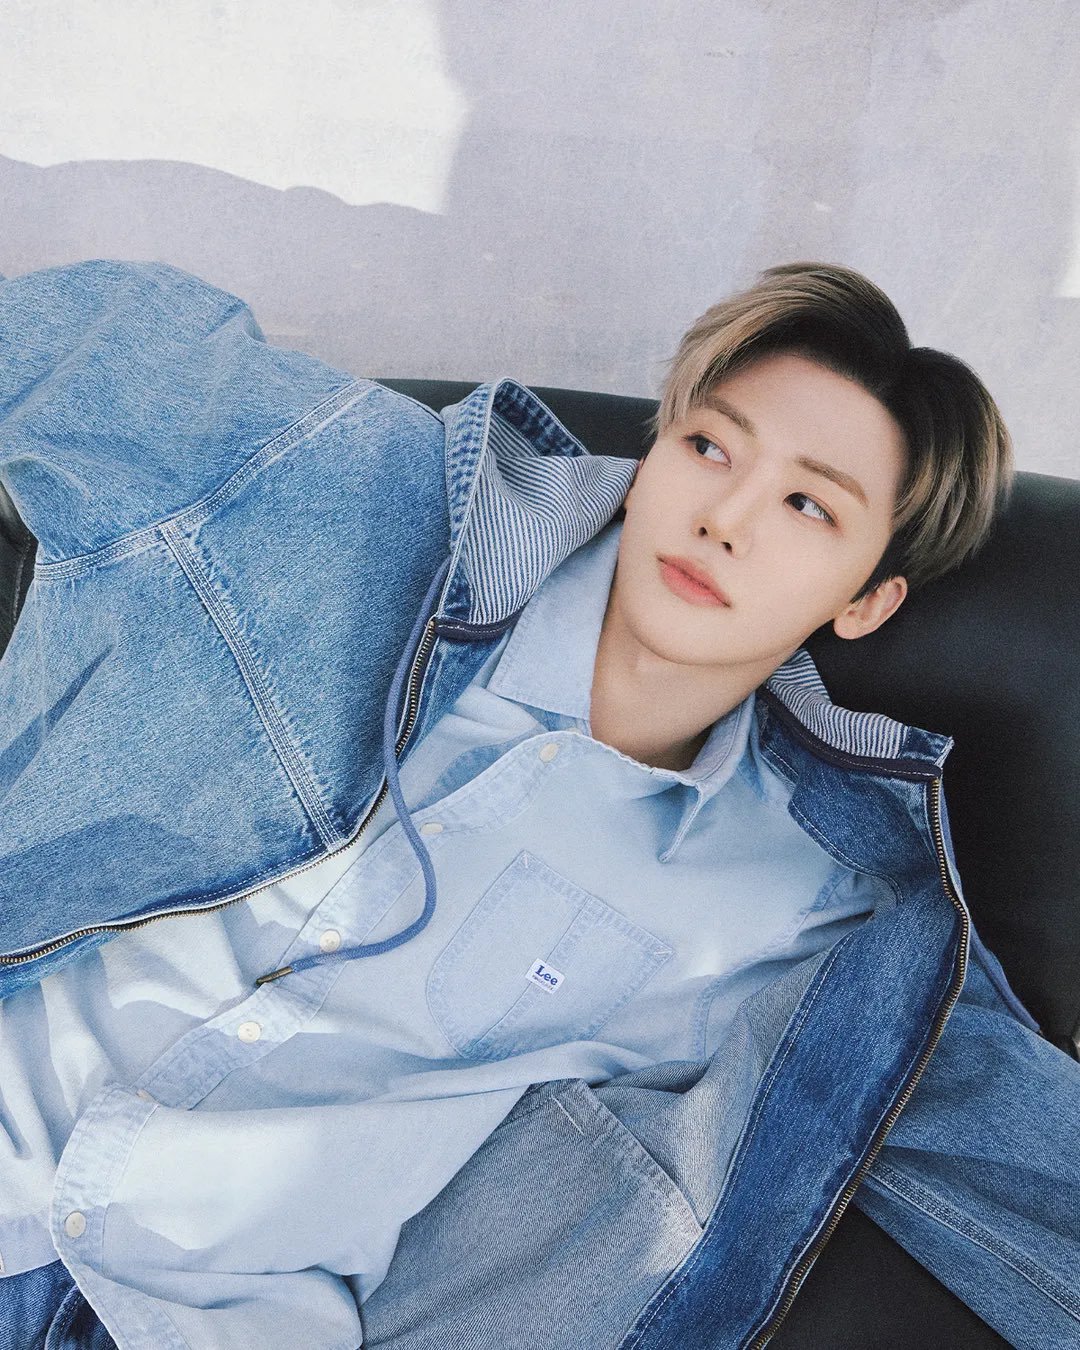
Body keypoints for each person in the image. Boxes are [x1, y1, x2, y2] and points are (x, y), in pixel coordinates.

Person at [0, 258, 1076, 1349]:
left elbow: (1017, 1153)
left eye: (807, 504)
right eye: (710, 447)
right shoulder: (371, 504)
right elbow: (73, 341)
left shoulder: (805, 904)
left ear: (867, 600)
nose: (725, 518)